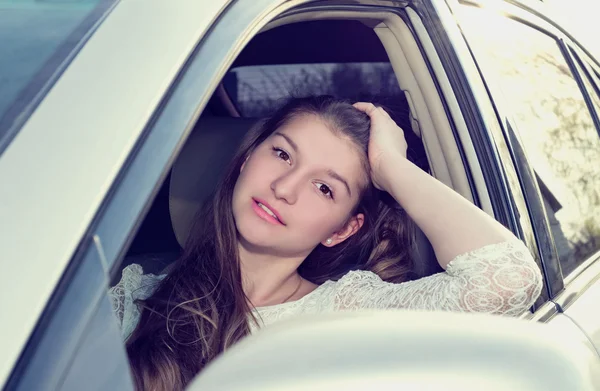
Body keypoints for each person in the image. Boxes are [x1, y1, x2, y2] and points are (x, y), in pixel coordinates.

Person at [109, 96, 542, 390]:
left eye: (324, 188)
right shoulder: (135, 295)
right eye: (282, 154)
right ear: (244, 161)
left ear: (342, 229)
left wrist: (391, 166)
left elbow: (506, 280)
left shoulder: (347, 313)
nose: (284, 187)